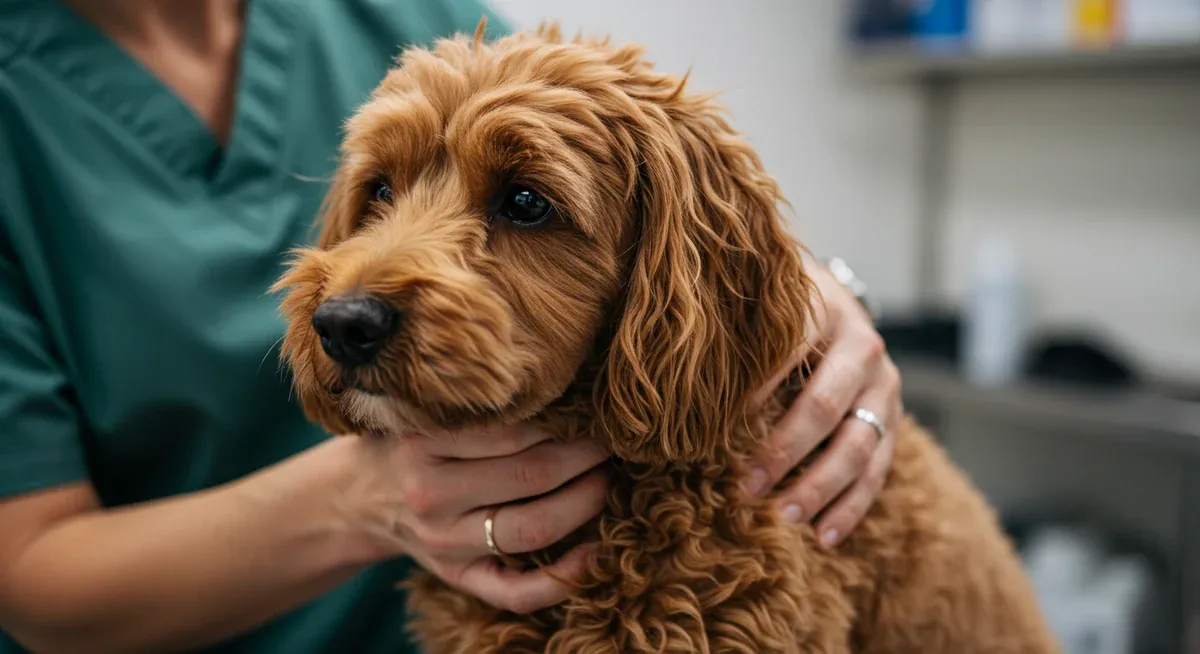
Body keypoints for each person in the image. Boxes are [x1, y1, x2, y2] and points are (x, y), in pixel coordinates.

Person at [0, 1, 903, 652]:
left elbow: (669, 209)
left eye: (518, 202)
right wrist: (364, 498)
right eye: (379, 193)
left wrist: (824, 299)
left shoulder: (401, 19)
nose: (353, 295)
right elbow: (28, 575)